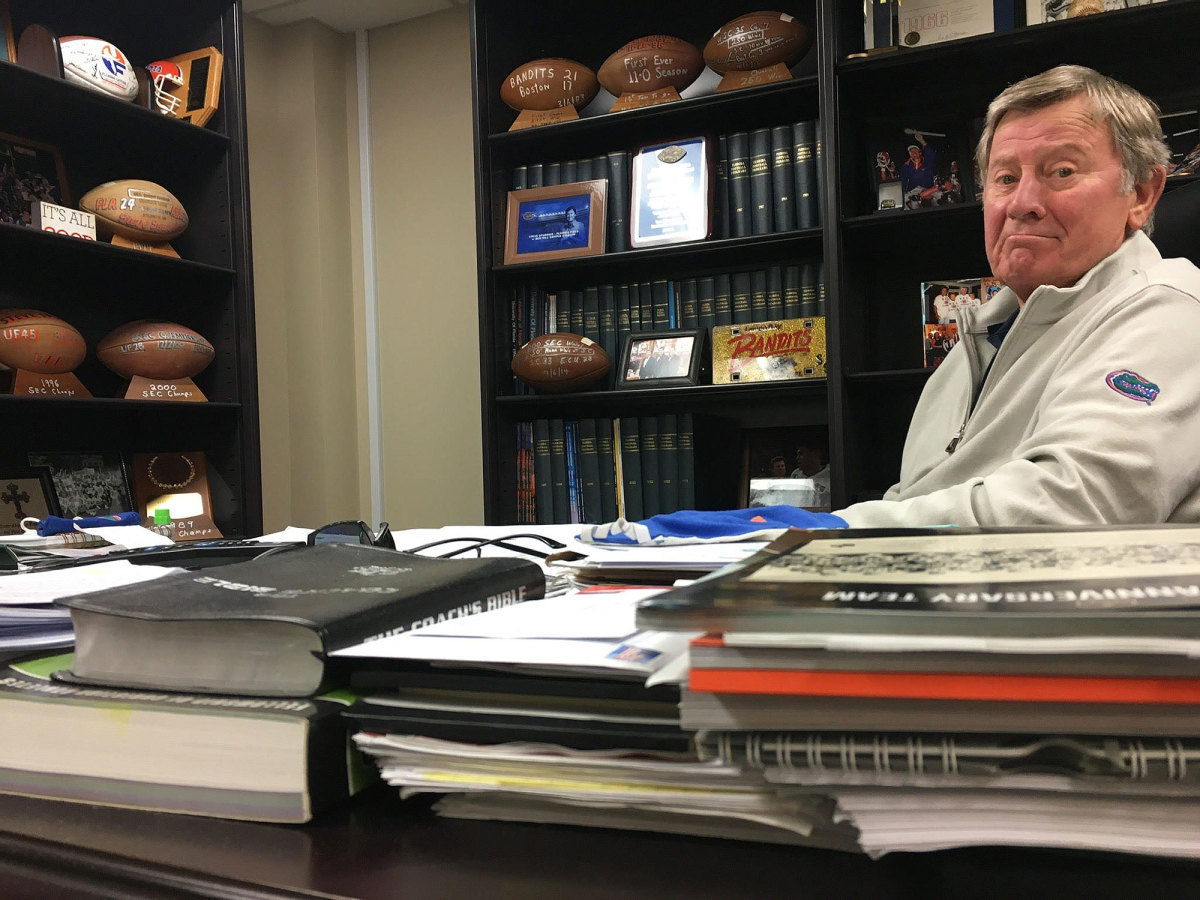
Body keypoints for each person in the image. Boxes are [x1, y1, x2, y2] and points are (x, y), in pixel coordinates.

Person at [836, 64, 1200, 527]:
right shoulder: (973, 342)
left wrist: (839, 531)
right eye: (1005, 178)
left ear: (1142, 194)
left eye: (1062, 171)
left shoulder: (1171, 313)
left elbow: (1072, 506)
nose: (1021, 202)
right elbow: (913, 497)